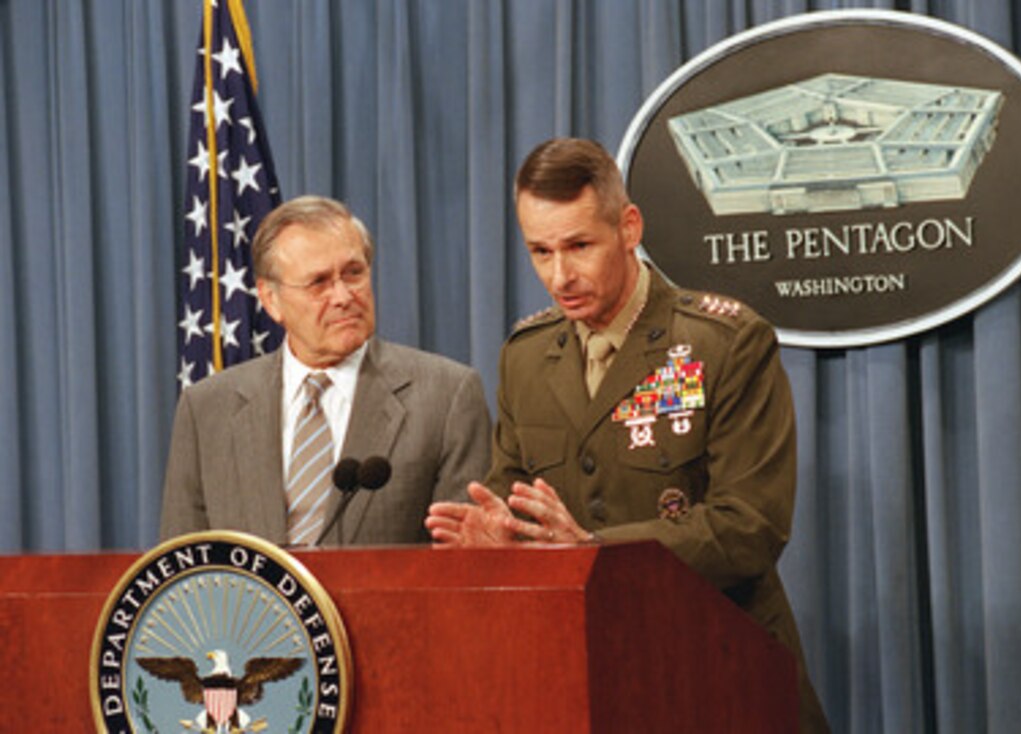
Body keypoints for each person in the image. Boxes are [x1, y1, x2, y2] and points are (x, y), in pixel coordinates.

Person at [426, 138, 828, 731]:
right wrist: (495, 536)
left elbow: (749, 528)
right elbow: (513, 498)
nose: (559, 275)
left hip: (716, 671)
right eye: (540, 251)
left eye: (579, 246)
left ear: (629, 227)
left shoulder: (725, 343)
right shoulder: (526, 357)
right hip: (582, 681)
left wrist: (593, 552)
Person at [161, 195, 491, 546]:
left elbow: (461, 571)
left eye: (354, 273)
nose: (343, 296)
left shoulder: (446, 396)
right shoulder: (207, 409)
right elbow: (181, 571)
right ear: (270, 299)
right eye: (319, 282)